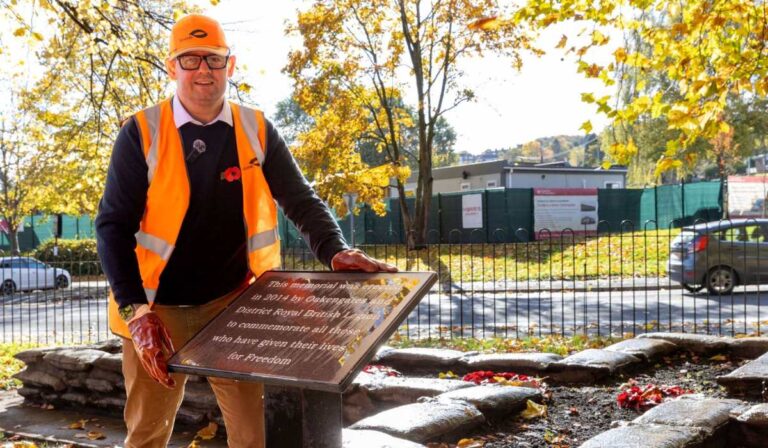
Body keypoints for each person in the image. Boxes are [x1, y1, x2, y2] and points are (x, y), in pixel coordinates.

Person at [95, 14, 396, 448]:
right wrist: (135, 312)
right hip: (156, 310)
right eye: (191, 59)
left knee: (253, 436)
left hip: (232, 304)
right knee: (147, 433)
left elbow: (300, 199)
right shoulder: (141, 132)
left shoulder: (256, 128)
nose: (204, 70)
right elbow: (112, 227)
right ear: (172, 66)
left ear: (230, 66)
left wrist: (334, 250)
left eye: (214, 60)